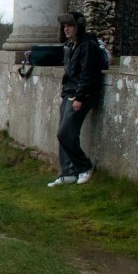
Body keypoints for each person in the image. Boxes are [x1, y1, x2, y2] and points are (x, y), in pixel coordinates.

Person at [48, 11, 101, 187]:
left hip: (81, 95)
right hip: (69, 92)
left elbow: (87, 73)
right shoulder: (71, 45)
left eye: (70, 25)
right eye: (64, 26)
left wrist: (80, 97)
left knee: (65, 133)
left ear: (79, 26)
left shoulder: (88, 45)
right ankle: (68, 173)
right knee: (64, 134)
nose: (66, 29)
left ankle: (85, 167)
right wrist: (65, 92)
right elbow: (69, 72)